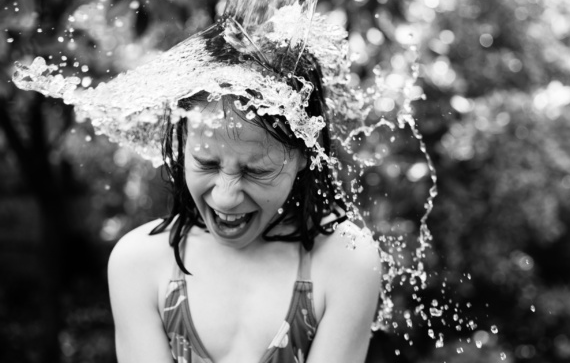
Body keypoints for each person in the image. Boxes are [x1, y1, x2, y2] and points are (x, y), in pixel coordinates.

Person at [107, 56, 382, 363]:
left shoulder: (345, 262)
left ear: (307, 151)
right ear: (183, 143)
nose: (225, 199)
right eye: (206, 163)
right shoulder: (140, 264)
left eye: (256, 171)